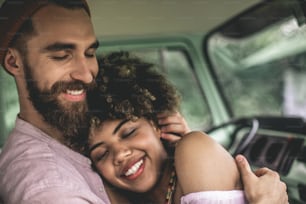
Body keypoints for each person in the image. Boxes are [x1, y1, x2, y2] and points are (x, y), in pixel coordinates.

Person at [0, 1, 287, 204]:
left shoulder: (67, 131)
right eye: (61, 55)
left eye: (89, 52)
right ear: (13, 61)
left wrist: (186, 152)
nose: (87, 74)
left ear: (157, 123)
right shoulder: (49, 185)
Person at [86, 52, 288, 204]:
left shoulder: (194, 149)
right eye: (101, 154)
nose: (120, 154)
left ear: (158, 124)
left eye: (129, 132)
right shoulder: (110, 195)